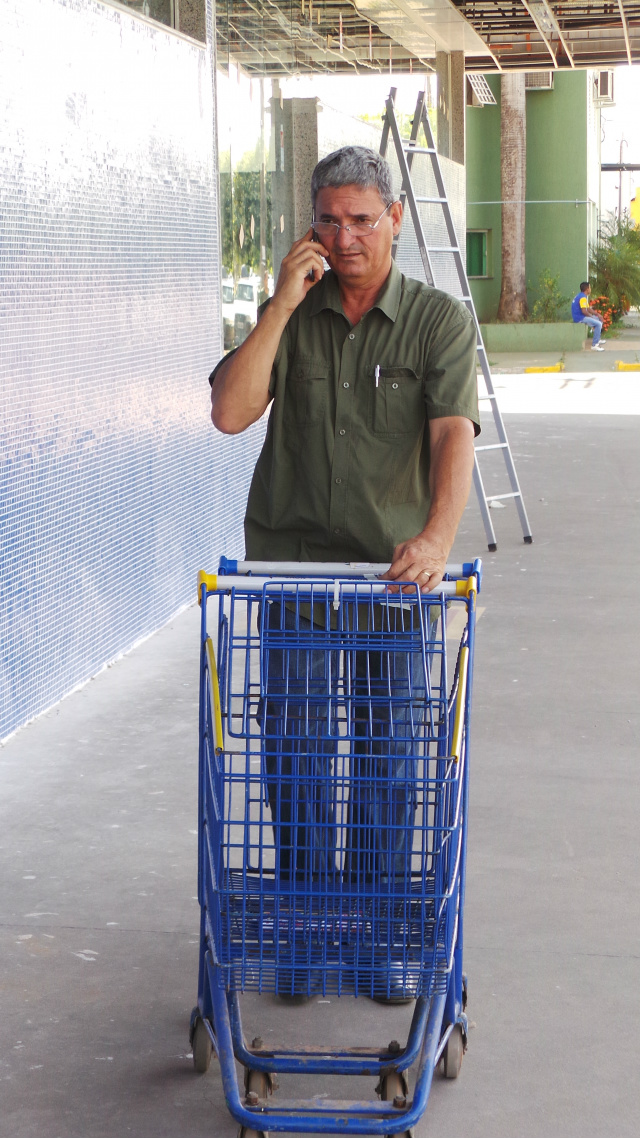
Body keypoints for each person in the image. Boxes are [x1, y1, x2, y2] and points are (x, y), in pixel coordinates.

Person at [209, 146, 480, 1002]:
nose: (347, 236)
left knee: (390, 755)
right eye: (329, 219)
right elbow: (229, 412)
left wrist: (437, 537)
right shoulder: (289, 315)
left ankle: (375, 936)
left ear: (394, 219)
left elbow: (450, 435)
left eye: (363, 219)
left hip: (392, 576)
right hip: (293, 569)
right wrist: (283, 304)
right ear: (311, 226)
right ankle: (301, 933)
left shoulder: (436, 320)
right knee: (293, 751)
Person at [571, 281, 606, 351]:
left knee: (599, 319)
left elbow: (588, 309)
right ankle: (594, 345)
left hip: (581, 316)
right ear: (587, 289)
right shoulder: (582, 298)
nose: (590, 289)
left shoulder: (582, 296)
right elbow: (584, 311)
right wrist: (592, 317)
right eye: (590, 287)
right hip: (580, 318)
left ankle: (597, 339)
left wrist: (598, 315)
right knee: (598, 323)